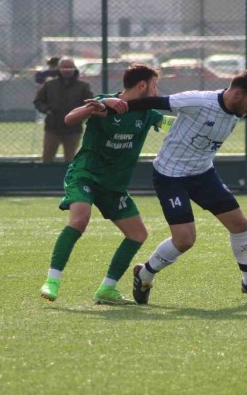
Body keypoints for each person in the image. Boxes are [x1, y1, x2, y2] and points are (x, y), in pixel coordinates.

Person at [103, 70, 247, 304]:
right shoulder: (197, 101)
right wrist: (111, 106)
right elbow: (154, 102)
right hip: (170, 176)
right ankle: (145, 274)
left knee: (239, 224)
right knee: (184, 240)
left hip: (203, 174)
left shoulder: (240, 107)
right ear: (237, 94)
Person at [39, 64, 164, 305]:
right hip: (86, 174)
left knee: (137, 234)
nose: (157, 92)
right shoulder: (104, 103)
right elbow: (69, 118)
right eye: (155, 86)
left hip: (113, 185)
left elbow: (170, 123)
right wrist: (101, 104)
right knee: (79, 220)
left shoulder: (148, 113)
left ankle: (107, 289)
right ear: (142, 85)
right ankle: (52, 280)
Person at [33, 57, 94, 163]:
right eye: (64, 67)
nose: (67, 70)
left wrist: (80, 114)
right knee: (47, 158)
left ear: (74, 69)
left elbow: (90, 104)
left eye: (70, 67)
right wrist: (47, 110)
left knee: (70, 159)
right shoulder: (50, 85)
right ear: (59, 69)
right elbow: (38, 101)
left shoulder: (83, 86)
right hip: (52, 127)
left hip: (73, 129)